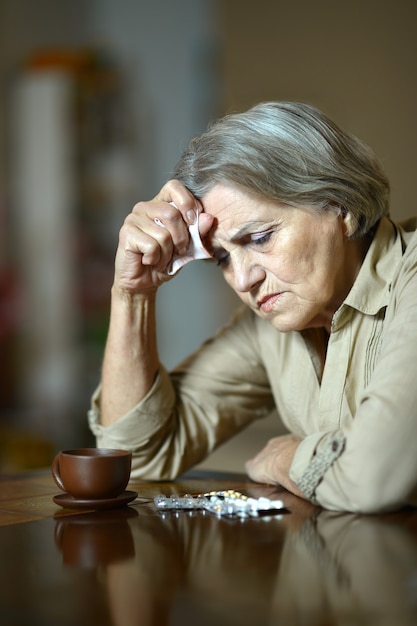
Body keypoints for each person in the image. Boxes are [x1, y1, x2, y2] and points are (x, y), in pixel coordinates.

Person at [88, 101, 417, 513]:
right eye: (222, 259)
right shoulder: (271, 322)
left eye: (260, 238)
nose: (242, 281)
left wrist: (286, 459)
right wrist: (132, 294)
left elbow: (374, 476)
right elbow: (132, 457)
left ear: (341, 205)